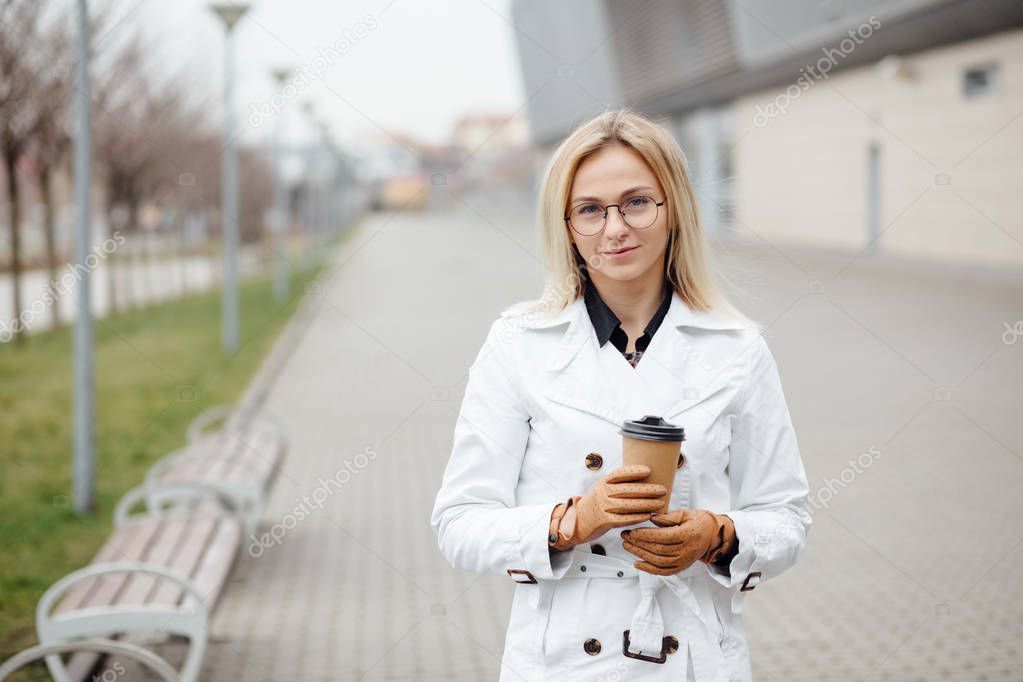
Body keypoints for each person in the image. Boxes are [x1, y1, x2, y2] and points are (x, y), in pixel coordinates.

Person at [430, 108, 811, 682]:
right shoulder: (517, 343)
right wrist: (573, 521)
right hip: (562, 662)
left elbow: (786, 516)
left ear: (673, 209)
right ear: (565, 224)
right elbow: (459, 522)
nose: (615, 229)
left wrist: (720, 536)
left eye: (636, 202)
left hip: (695, 660)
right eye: (589, 209)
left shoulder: (738, 347)